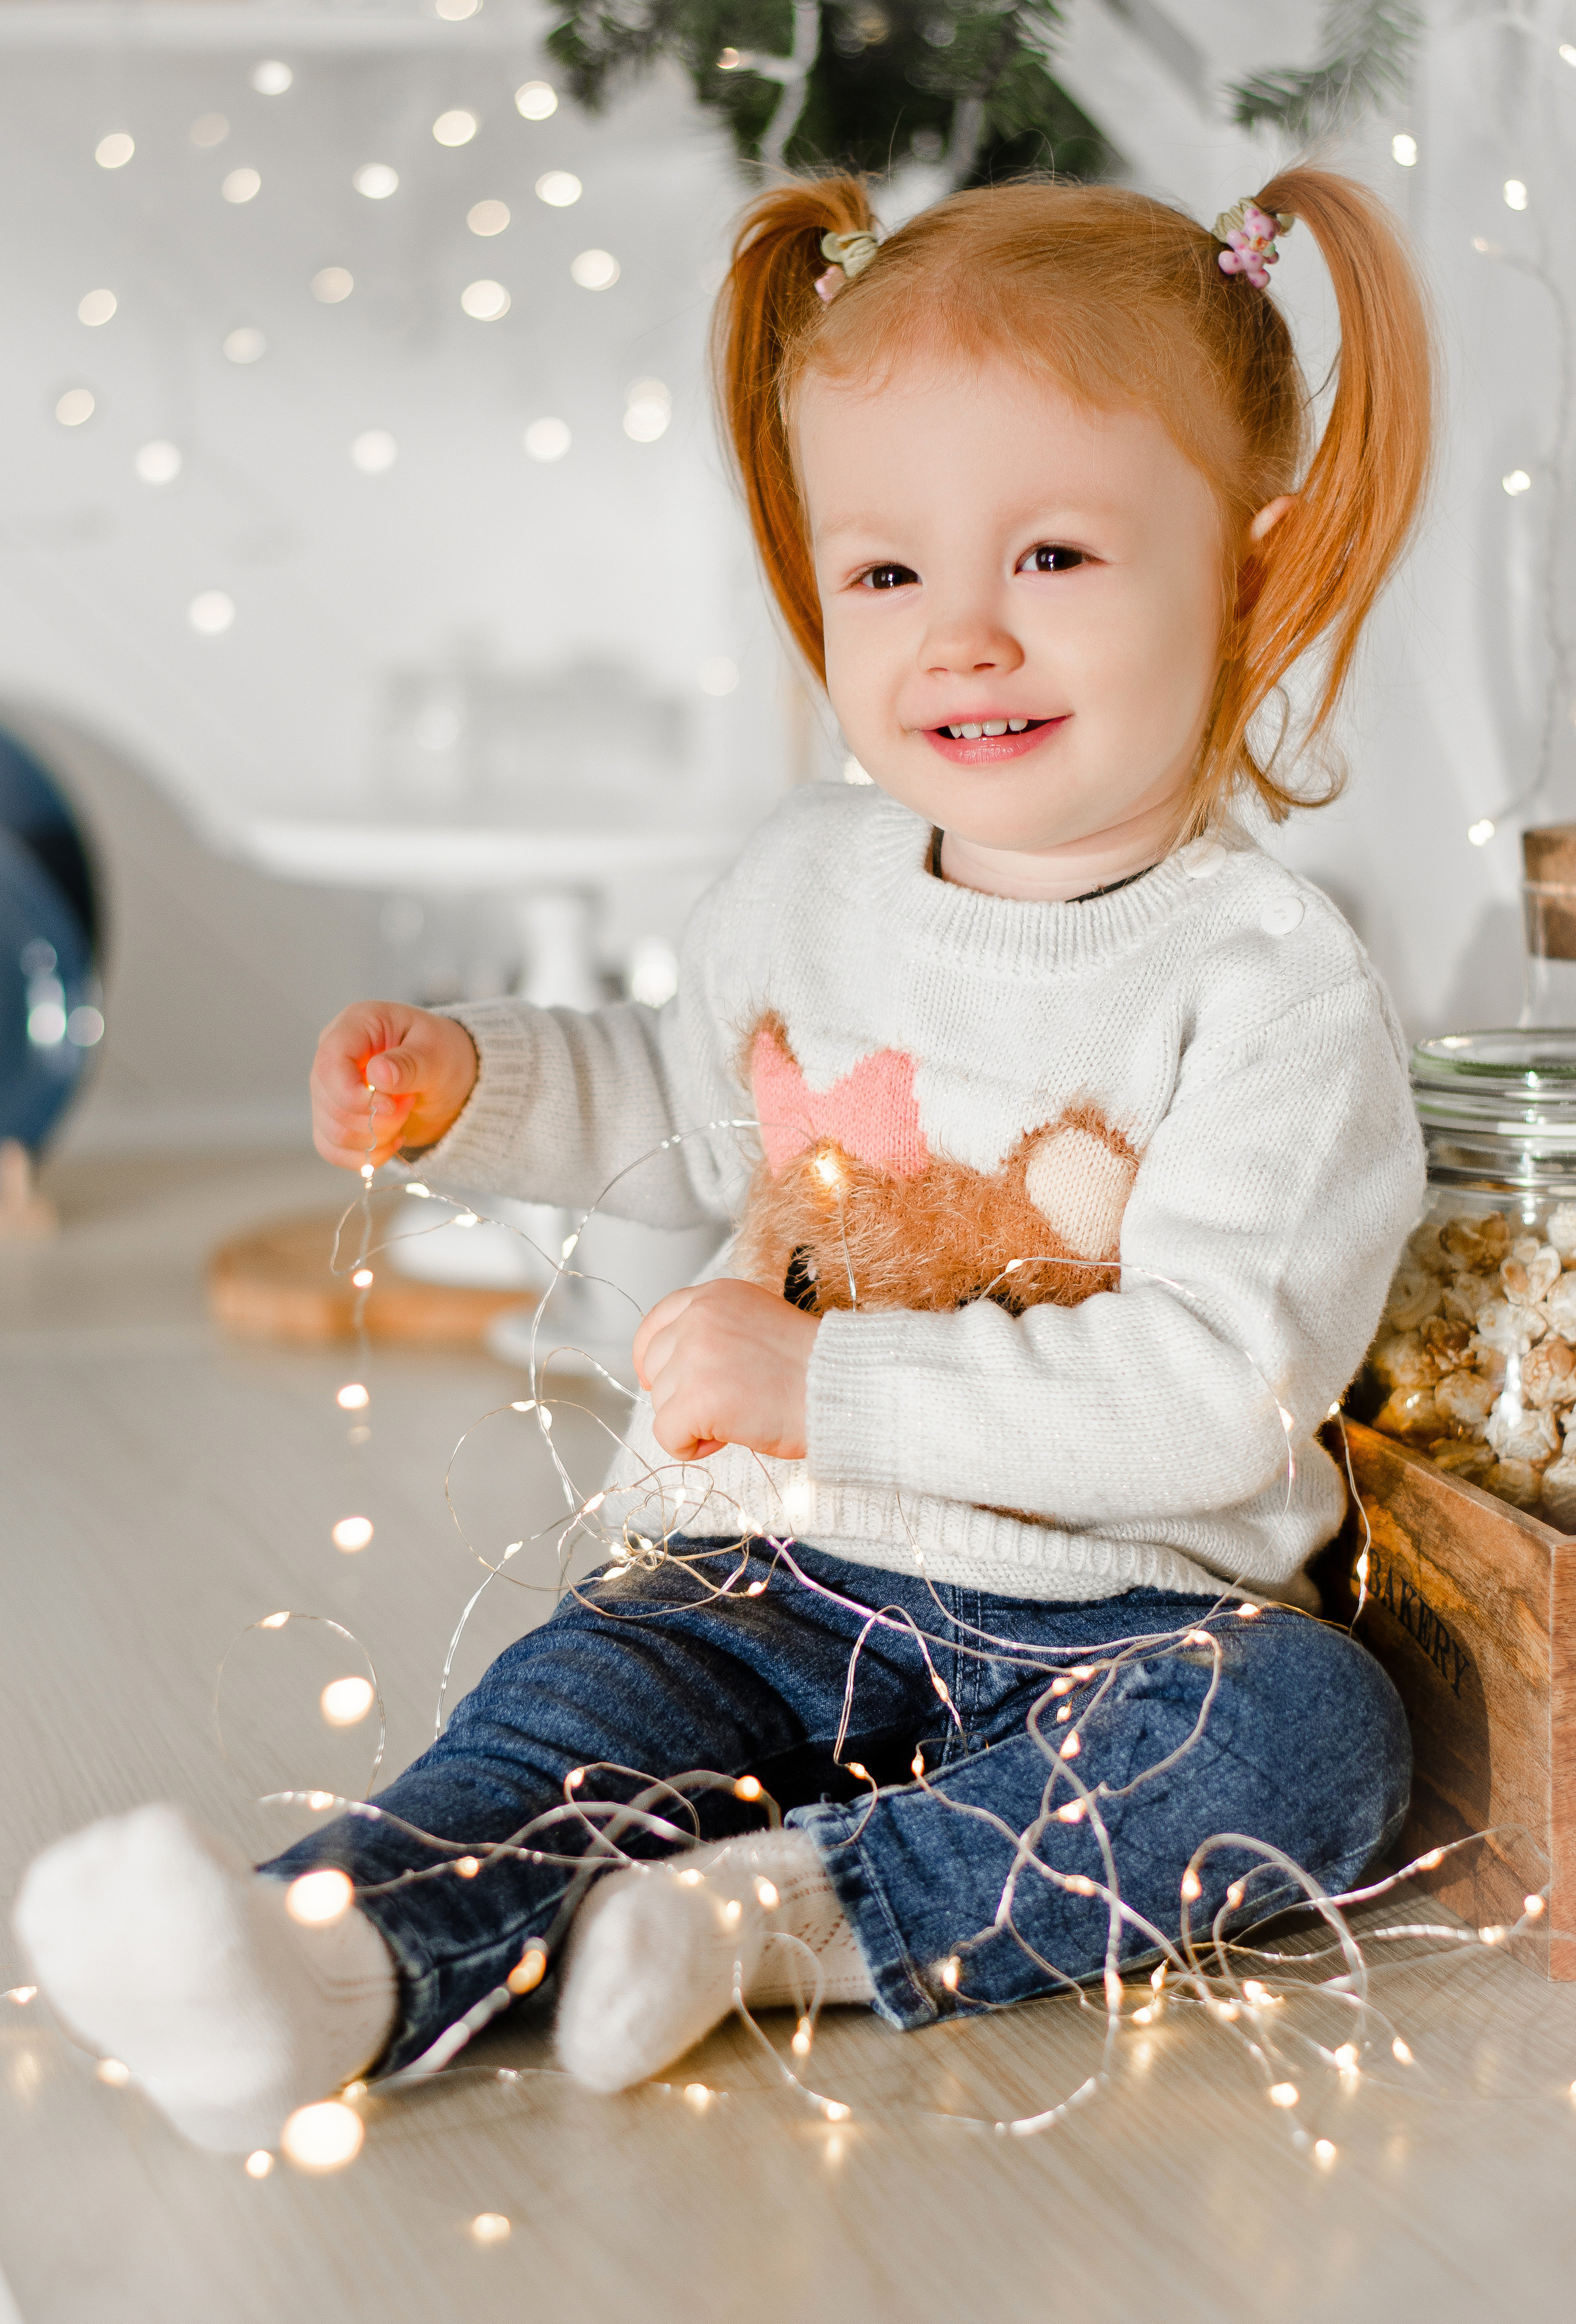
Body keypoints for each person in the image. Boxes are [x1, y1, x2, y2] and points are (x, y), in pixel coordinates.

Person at [15, 170, 1429, 2154]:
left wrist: (824, 1378)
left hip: (1110, 1617)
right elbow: (683, 1100)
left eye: (1052, 554)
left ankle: (784, 1917)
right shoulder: (807, 878)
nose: (962, 638)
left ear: (1251, 573)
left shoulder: (1269, 984)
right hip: (757, 1562)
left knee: (1314, 1738)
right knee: (568, 1728)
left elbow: (1216, 1396)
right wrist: (472, 1083)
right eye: (887, 574)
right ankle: (319, 1966)